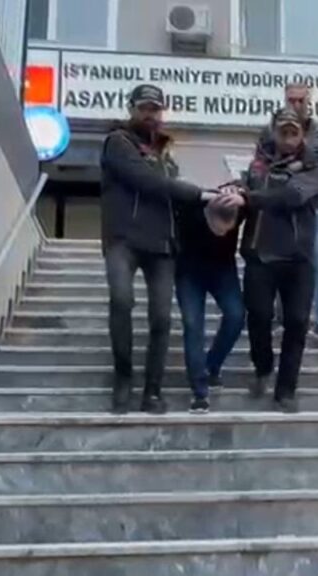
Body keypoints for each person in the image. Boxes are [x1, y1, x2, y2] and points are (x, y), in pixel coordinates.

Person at [99, 83, 218, 415]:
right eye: (144, 108)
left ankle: (152, 390)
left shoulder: (166, 154)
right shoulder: (117, 142)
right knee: (121, 300)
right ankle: (123, 377)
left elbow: (172, 196)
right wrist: (199, 194)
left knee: (162, 318)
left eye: (155, 109)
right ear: (132, 109)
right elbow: (146, 182)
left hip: (162, 244)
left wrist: (220, 201)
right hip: (123, 239)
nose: (150, 115)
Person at [217, 108, 318, 413]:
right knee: (258, 317)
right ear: (274, 132)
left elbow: (292, 196)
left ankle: (286, 391)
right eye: (283, 131)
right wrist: (234, 191)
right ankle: (263, 367)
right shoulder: (258, 166)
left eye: (294, 131)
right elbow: (245, 194)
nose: (288, 137)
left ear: (302, 135)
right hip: (260, 255)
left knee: (297, 322)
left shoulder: (315, 167)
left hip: (299, 259)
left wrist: (248, 197)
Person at [254, 83, 318, 338]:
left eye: (300, 100)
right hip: (284, 208)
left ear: (309, 103)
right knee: (281, 260)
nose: (295, 105)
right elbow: (259, 165)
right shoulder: (270, 131)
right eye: (291, 100)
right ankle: (281, 317)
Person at [174, 187, 246, 415]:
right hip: (189, 271)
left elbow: (255, 189)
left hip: (223, 268)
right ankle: (199, 392)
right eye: (217, 230)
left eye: (228, 231)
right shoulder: (190, 211)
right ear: (207, 215)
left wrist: (241, 190)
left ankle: (212, 365)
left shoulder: (237, 209)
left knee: (236, 315)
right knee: (193, 325)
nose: (222, 234)